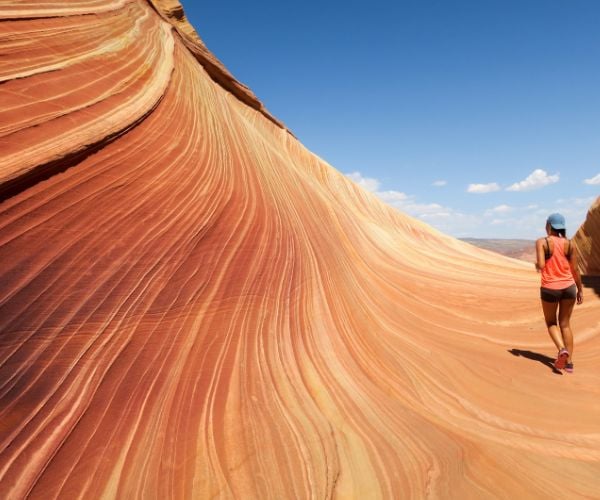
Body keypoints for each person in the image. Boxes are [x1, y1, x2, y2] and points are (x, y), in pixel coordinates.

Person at [535, 213, 583, 373]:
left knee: (551, 323)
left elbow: (541, 265)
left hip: (550, 288)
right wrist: (580, 289)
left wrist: (537, 264)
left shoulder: (542, 242)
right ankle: (569, 364)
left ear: (549, 226)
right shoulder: (570, 244)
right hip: (569, 287)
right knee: (565, 324)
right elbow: (575, 269)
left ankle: (562, 349)